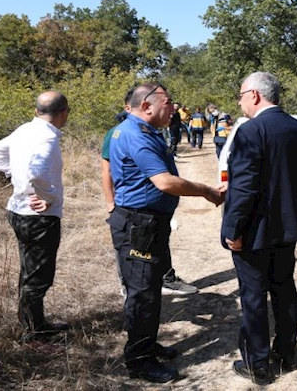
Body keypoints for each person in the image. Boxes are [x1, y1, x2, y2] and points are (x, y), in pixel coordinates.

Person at [107, 82, 223, 383]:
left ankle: (144, 343)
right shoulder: (136, 135)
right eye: (168, 102)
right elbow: (166, 182)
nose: (173, 108)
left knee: (149, 288)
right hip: (139, 225)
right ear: (147, 106)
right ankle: (139, 361)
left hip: (147, 223)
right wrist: (207, 191)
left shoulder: (140, 130)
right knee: (143, 293)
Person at [220, 71, 297, 385]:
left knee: (254, 296)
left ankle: (258, 365)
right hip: (286, 228)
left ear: (255, 95)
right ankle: (286, 353)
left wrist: (233, 230)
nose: (239, 101)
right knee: (284, 290)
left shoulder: (251, 130)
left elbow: (244, 188)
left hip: (254, 232)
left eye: (241, 94)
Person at [0, 91, 71, 343]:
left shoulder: (24, 130)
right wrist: (46, 196)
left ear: (37, 111)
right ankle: (33, 335)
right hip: (38, 218)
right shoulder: (47, 139)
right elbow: (37, 173)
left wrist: (14, 175)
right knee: (38, 277)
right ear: (64, 113)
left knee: (29, 272)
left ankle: (36, 324)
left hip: (18, 211)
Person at [101, 92, 199, 297]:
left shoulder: (149, 132)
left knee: (150, 277)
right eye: (168, 103)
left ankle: (165, 279)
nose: (172, 108)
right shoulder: (128, 133)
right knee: (141, 288)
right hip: (138, 218)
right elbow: (107, 171)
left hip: (153, 218)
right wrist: (110, 203)